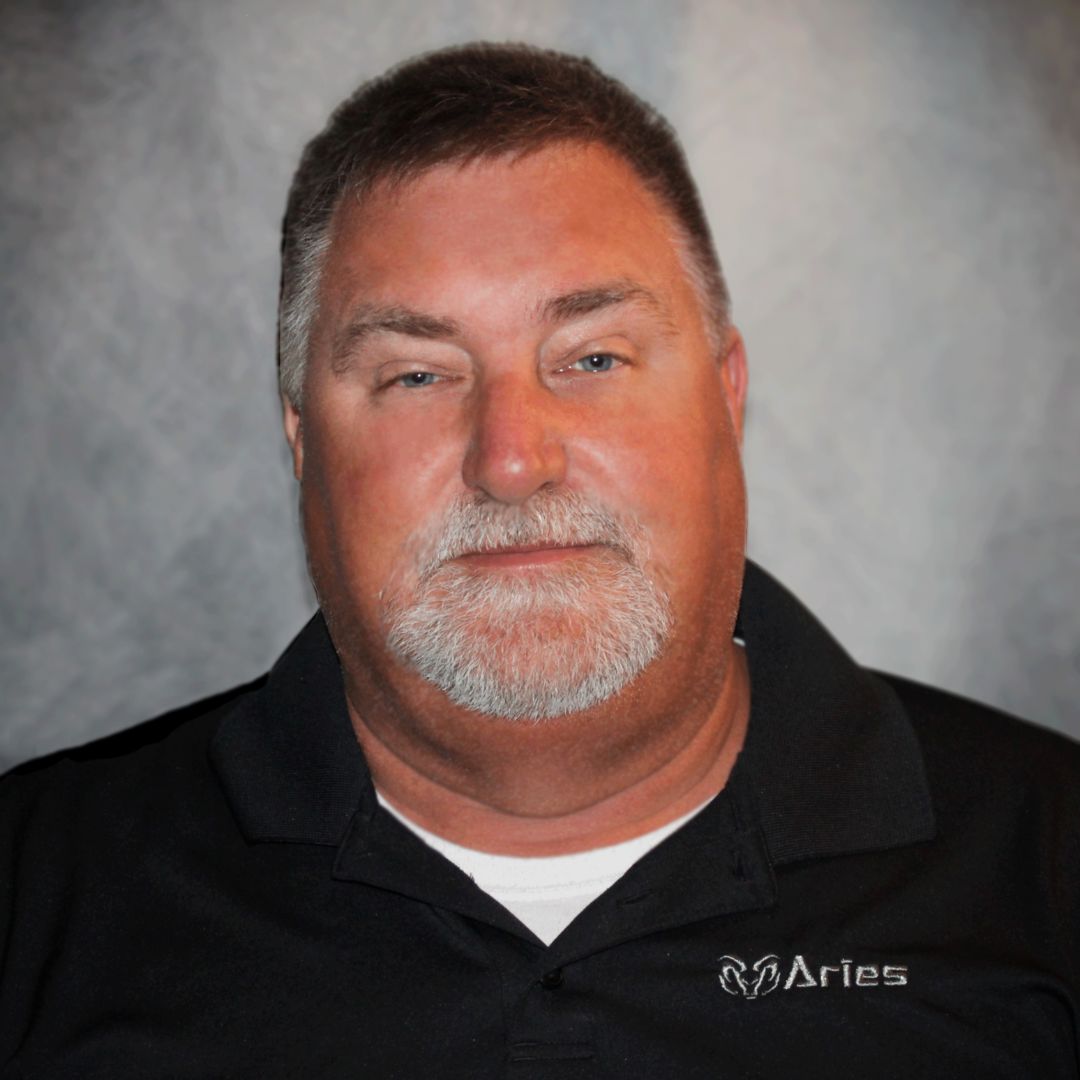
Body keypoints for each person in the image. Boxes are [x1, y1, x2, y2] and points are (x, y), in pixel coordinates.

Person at [1, 42, 1077, 1079]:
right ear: (301, 444)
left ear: (726, 394)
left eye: (593, 357)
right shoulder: (36, 899)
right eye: (417, 376)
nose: (511, 459)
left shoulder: (1047, 865)